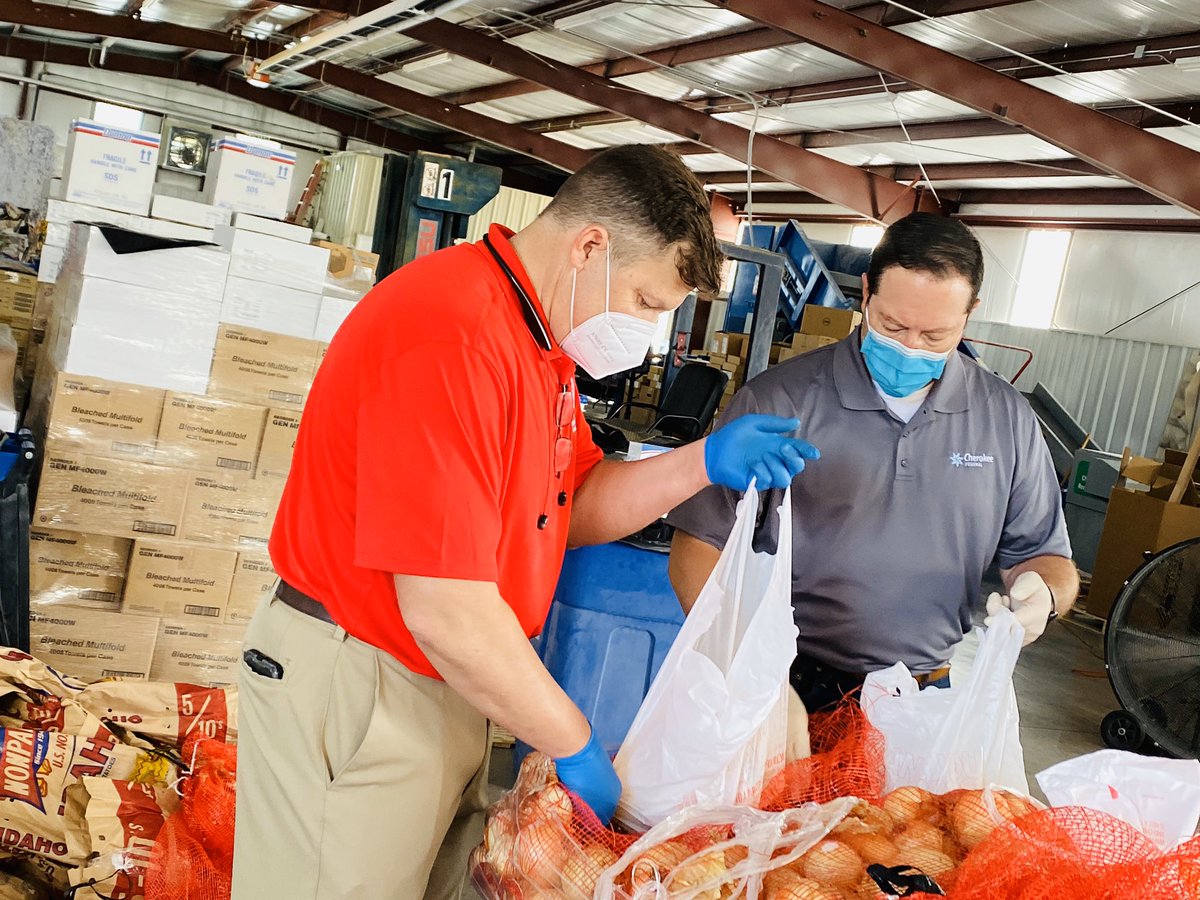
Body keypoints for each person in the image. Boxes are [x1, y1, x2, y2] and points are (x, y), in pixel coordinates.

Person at [230, 144, 820, 900]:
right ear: (589, 247)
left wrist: (701, 464)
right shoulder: (453, 335)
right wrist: (571, 741)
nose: (644, 333)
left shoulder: (536, 345)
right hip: (363, 673)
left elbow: (562, 512)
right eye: (645, 303)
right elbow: (445, 608)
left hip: (444, 682)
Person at [667, 212, 1079, 715]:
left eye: (935, 336)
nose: (909, 347)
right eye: (892, 325)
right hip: (790, 678)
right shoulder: (781, 400)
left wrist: (1044, 596)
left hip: (925, 692)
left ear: (970, 313)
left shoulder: (1006, 419)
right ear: (865, 293)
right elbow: (698, 543)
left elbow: (1043, 554)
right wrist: (745, 670)